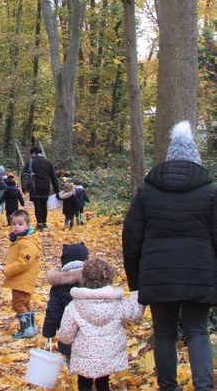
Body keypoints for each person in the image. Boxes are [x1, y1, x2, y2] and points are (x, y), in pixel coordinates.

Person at [122, 120, 217, 391]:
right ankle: (204, 387)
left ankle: (168, 388)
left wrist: (136, 281)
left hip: (158, 273)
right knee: (197, 332)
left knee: (164, 332)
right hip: (199, 273)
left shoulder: (147, 193)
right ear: (196, 159)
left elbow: (131, 237)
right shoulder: (210, 193)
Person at [58, 257, 144, 391]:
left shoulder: (74, 305)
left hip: (83, 355)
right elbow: (134, 313)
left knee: (83, 383)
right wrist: (136, 294)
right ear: (109, 278)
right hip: (109, 353)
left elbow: (65, 335)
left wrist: (69, 341)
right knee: (103, 382)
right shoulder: (118, 302)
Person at [42, 242, 89, 364]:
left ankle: (76, 380)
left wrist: (48, 332)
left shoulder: (59, 287)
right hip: (93, 338)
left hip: (69, 337)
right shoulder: (94, 283)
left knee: (73, 363)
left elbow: (53, 312)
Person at [3, 209, 41, 338]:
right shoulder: (20, 240)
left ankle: (26, 329)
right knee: (25, 303)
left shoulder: (27, 242)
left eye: (20, 224)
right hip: (22, 278)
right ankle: (31, 326)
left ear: (27, 226)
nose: (16, 227)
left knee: (18, 304)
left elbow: (25, 262)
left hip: (23, 279)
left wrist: (8, 270)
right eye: (13, 224)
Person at [21, 145, 59, 230]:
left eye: (31, 153)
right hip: (46, 187)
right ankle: (44, 222)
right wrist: (56, 190)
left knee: (37, 205)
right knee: (44, 205)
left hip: (34, 187)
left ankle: (39, 224)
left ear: (34, 152)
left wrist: (24, 187)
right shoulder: (48, 162)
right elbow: (54, 177)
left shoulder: (30, 162)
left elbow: (23, 175)